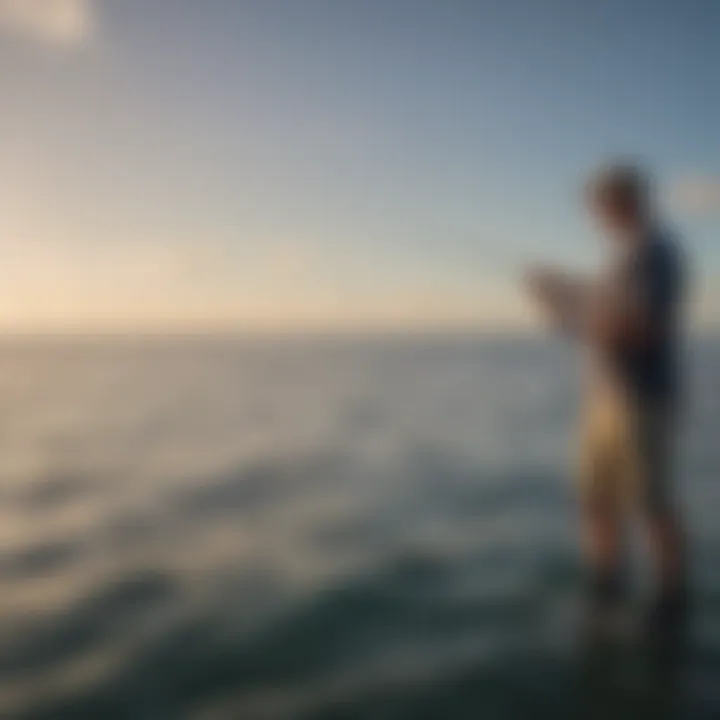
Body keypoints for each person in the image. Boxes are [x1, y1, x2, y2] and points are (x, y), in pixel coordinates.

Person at [526, 162, 689, 636]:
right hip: (605, 400)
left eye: (600, 205)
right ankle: (606, 583)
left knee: (652, 503)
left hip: (642, 402)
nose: (595, 214)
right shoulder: (623, 257)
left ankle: (670, 599)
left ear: (626, 202)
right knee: (595, 497)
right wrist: (564, 292)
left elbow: (638, 330)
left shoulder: (656, 254)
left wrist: (564, 310)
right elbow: (605, 304)